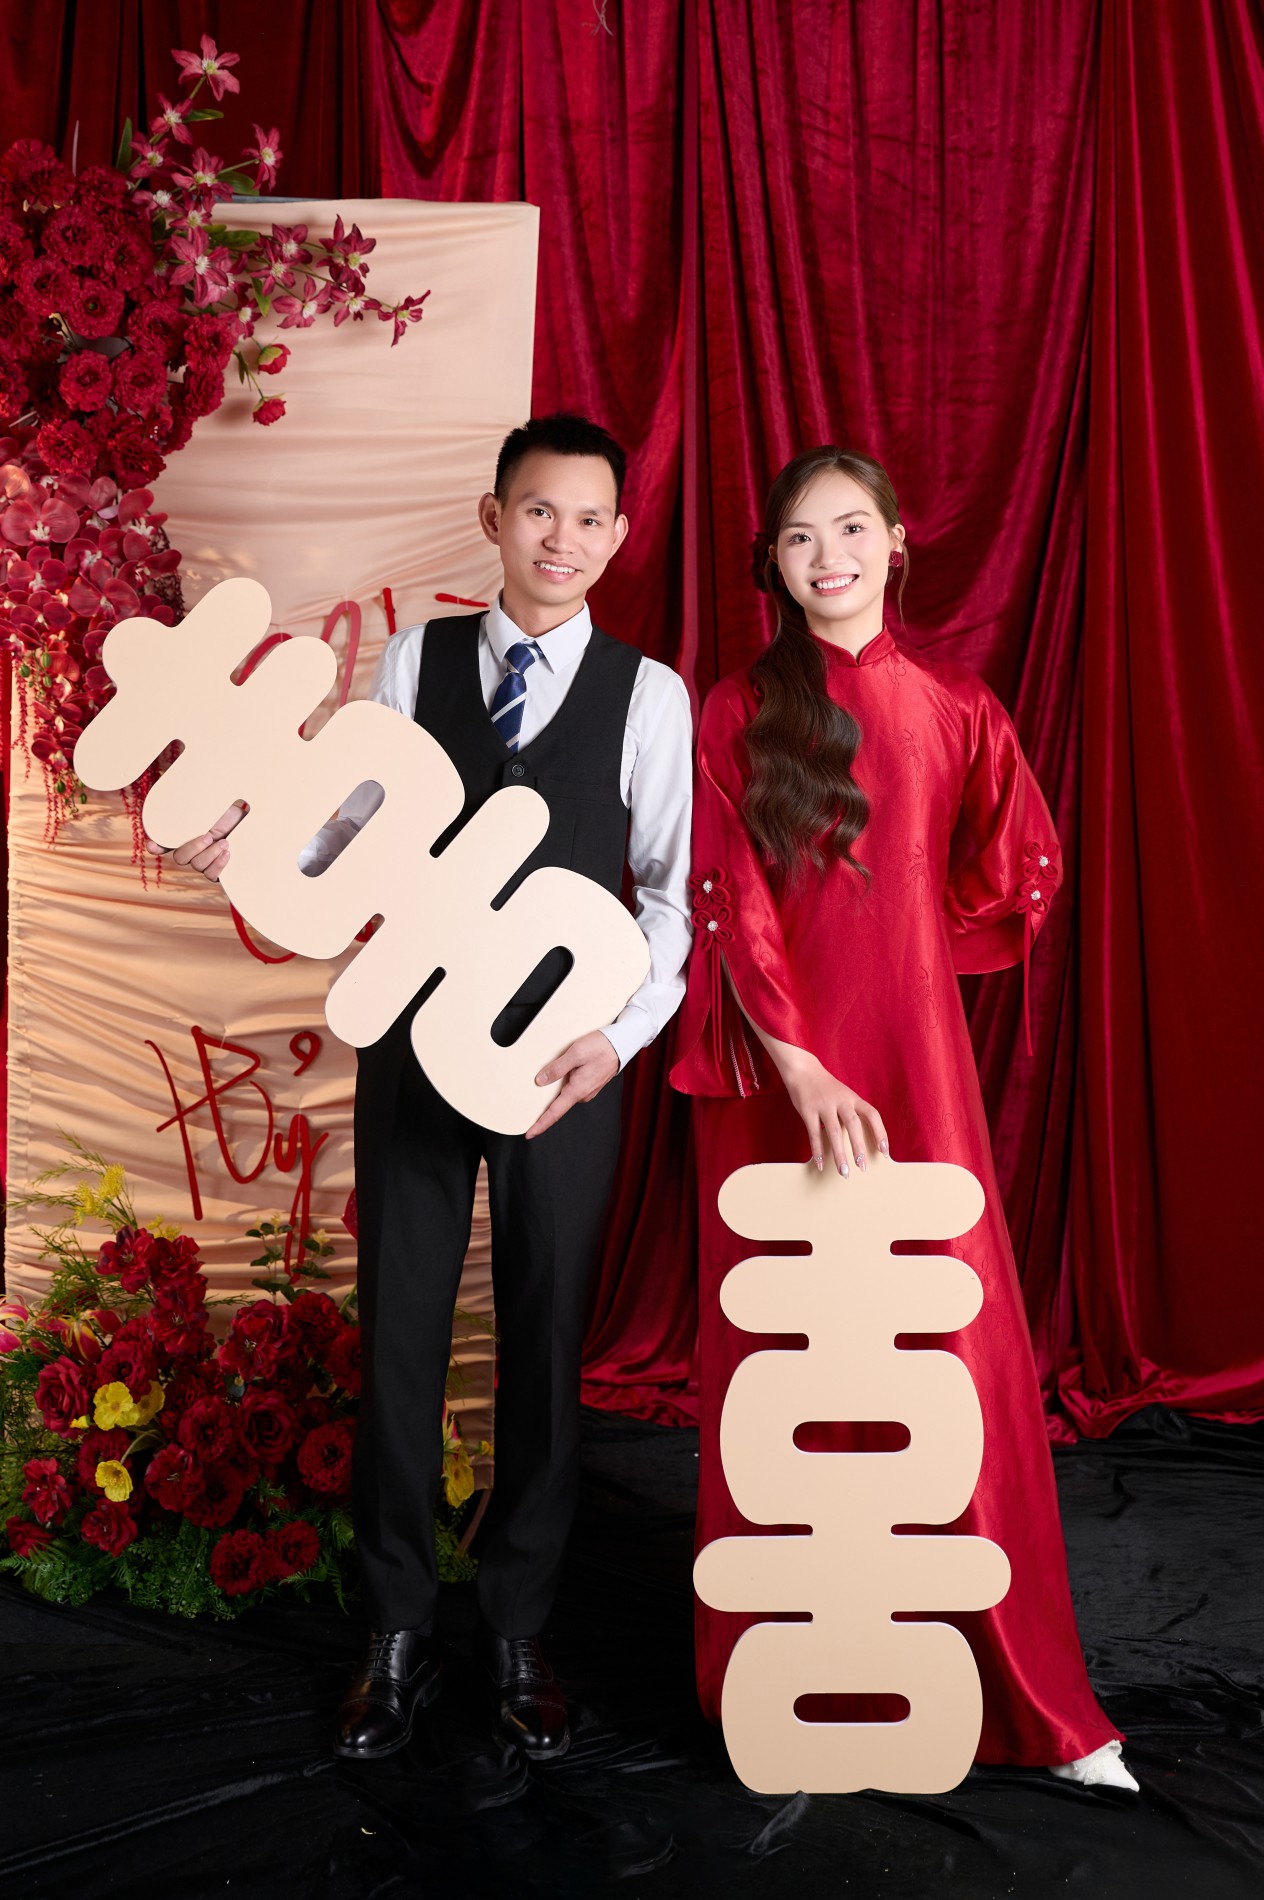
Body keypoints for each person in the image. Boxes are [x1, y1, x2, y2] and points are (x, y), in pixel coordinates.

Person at [171, 413, 694, 1762]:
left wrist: (618, 1039)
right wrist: (253, 840)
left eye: (589, 517)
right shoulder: (416, 660)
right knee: (398, 1337)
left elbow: (668, 899)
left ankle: (519, 1631)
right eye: (539, 511)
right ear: (493, 517)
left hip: (563, 1065)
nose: (563, 538)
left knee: (542, 1343)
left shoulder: (649, 695)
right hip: (414, 1038)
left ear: (619, 535)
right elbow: (354, 828)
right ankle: (396, 1627)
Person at [669, 445, 1137, 1790]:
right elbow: (728, 900)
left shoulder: (956, 704)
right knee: (780, 1361)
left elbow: (1020, 866)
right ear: (771, 562)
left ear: (895, 544)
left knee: (952, 1356)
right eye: (801, 536)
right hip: (780, 1081)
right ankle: (786, 1679)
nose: (829, 556)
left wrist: (923, 951)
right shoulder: (739, 709)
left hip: (914, 1070)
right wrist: (802, 1063)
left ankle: (1032, 1700)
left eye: (852, 529)